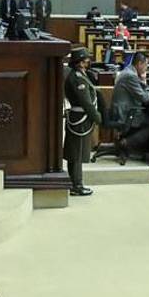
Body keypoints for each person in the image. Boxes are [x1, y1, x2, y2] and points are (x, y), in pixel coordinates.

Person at [64, 48, 100, 197]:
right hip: (80, 119)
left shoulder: (80, 74)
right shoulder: (77, 78)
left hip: (79, 118)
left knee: (76, 153)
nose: (88, 61)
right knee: (77, 153)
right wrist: (97, 117)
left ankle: (74, 182)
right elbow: (86, 102)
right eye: (86, 59)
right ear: (80, 62)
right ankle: (77, 185)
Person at [112, 52, 149, 161]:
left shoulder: (128, 71)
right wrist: (145, 81)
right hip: (126, 114)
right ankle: (127, 143)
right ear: (140, 63)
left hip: (123, 110)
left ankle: (137, 148)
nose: (146, 68)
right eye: (146, 65)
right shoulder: (130, 76)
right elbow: (145, 98)